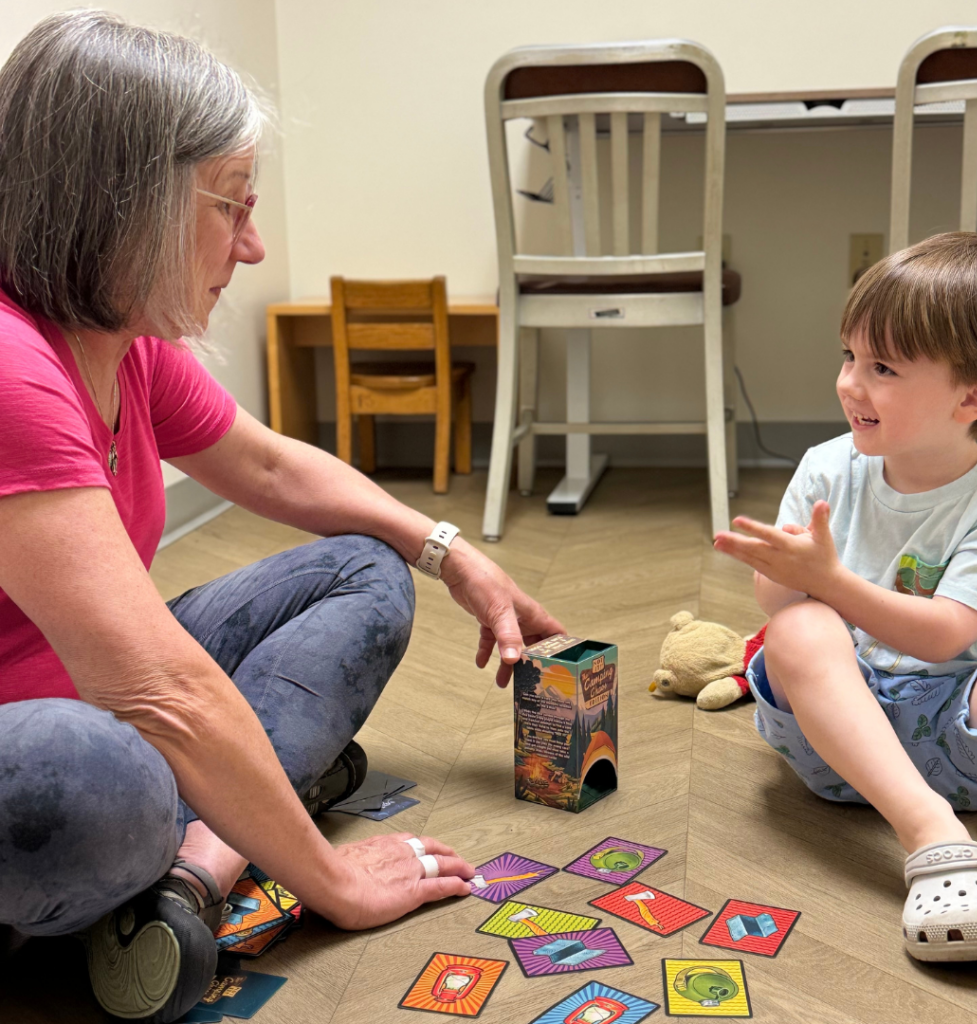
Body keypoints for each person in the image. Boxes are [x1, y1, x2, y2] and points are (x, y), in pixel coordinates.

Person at [0, 11, 563, 1023]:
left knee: (364, 567)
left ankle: (199, 863)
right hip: (48, 745)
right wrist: (331, 881)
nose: (252, 246)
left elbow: (265, 462)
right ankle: (248, 804)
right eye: (230, 208)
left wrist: (450, 549)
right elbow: (154, 686)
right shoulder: (10, 361)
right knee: (99, 774)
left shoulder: (120, 337)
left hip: (103, 707)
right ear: (125, 204)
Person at [714, 232, 977, 964]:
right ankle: (932, 838)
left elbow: (945, 638)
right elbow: (777, 602)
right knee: (795, 629)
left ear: (974, 397)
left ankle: (947, 828)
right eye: (848, 356)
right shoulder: (827, 467)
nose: (850, 382)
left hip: (962, 743)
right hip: (839, 741)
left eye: (881, 367)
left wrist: (833, 579)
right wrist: (795, 575)